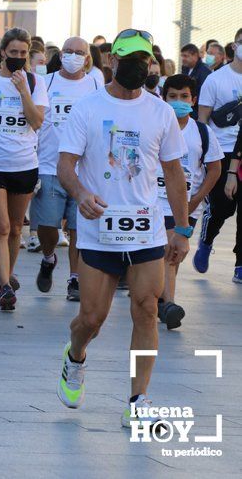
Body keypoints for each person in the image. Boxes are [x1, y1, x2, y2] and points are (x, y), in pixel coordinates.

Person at [56, 29, 191, 427]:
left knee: (147, 309)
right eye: (128, 59)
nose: (136, 67)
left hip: (146, 228)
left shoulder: (161, 111)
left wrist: (181, 230)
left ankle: (138, 400)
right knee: (92, 320)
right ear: (112, 62)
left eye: (143, 60)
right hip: (100, 228)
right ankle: (75, 356)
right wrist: (80, 193)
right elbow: (66, 164)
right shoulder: (88, 108)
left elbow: (174, 172)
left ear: (151, 64)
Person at [0, 27, 48, 310]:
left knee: (16, 228)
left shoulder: (34, 82)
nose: (18, 57)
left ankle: (5, 276)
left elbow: (36, 121)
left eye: (23, 53)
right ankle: (5, 285)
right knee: (1, 226)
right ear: (2, 52)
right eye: (13, 52)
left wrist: (23, 91)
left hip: (24, 164)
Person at [32, 37, 99, 301]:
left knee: (78, 229)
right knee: (47, 226)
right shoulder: (45, 82)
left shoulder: (95, 85)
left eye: (79, 52)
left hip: (85, 170)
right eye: (68, 52)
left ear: (87, 58)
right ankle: (49, 258)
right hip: (51, 165)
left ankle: (75, 279)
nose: (73, 56)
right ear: (60, 54)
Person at [154, 75, 220, 329]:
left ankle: (163, 301)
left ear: (193, 100)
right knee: (166, 251)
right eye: (172, 96)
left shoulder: (202, 132)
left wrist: (195, 200)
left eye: (184, 97)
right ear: (164, 98)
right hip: (154, 202)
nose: (178, 101)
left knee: (173, 253)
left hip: (186, 205)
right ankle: (167, 302)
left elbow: (214, 169)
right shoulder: (156, 126)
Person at [192, 28, 242, 280]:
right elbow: (203, 119)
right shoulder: (216, 79)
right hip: (221, 150)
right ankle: (207, 241)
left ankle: (240, 264)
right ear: (234, 46)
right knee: (222, 207)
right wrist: (203, 155)